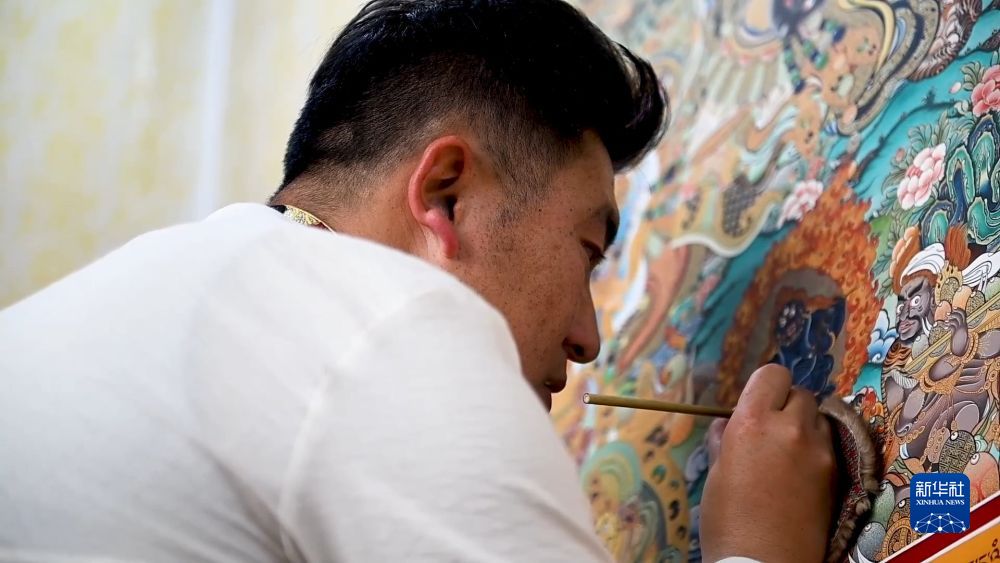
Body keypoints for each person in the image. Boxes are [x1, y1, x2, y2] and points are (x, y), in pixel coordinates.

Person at [0, 0, 835, 561]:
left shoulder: (151, 291)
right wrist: (758, 547)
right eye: (587, 249)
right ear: (445, 194)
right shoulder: (385, 322)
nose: (588, 337)